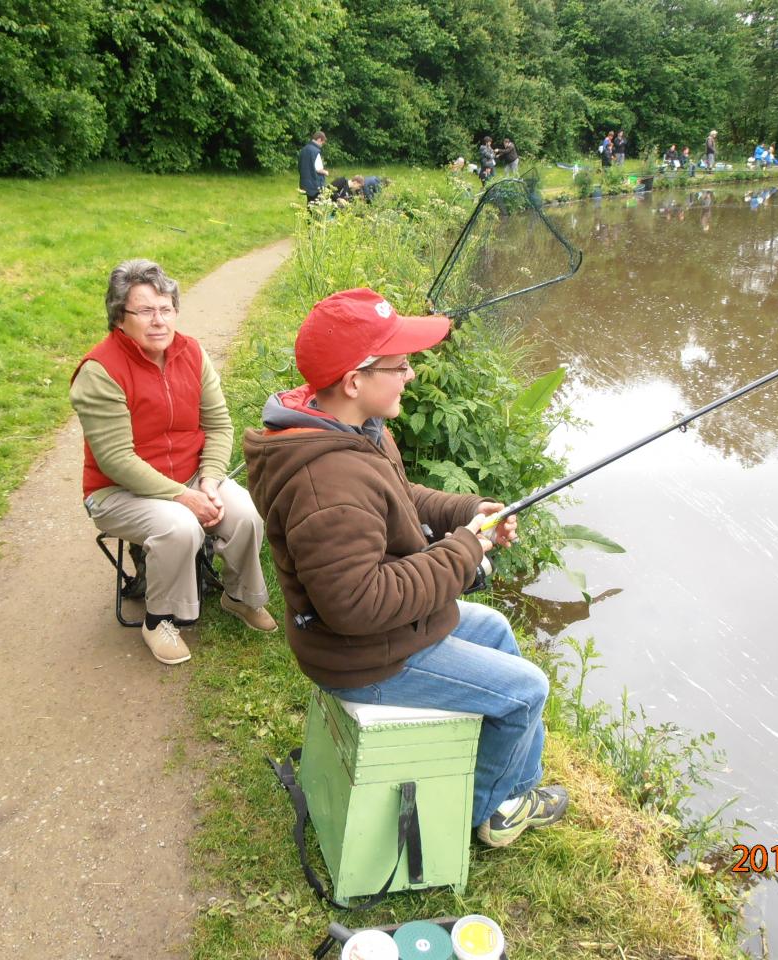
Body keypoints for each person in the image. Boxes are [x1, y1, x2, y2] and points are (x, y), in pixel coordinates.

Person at [242, 288, 568, 848]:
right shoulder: (328, 484)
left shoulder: (348, 429)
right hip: (362, 657)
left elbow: (400, 497)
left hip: (377, 637)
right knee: (528, 690)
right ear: (354, 380)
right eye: (399, 366)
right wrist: (465, 550)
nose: (410, 375)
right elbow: (358, 604)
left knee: (495, 628)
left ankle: (510, 781)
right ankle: (482, 813)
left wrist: (468, 513)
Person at [70, 259, 276, 666]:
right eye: (145, 310)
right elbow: (116, 461)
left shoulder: (192, 353)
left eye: (166, 309)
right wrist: (185, 497)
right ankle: (159, 619)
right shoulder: (99, 371)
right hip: (117, 491)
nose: (159, 320)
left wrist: (212, 481)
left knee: (247, 513)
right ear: (119, 316)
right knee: (179, 526)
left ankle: (240, 597)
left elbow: (218, 425)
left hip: (192, 476)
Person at [298, 132, 328, 204]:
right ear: (319, 139)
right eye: (322, 143)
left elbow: (299, 166)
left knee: (309, 202)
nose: (321, 145)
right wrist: (326, 172)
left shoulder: (304, 149)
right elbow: (318, 169)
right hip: (315, 183)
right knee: (317, 205)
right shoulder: (316, 151)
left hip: (305, 181)